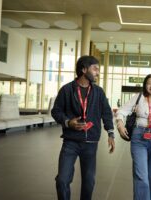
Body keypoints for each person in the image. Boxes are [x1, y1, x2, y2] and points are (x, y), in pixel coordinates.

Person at [51, 55, 115, 200]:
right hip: (70, 142)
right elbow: (56, 111)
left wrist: (111, 133)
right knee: (62, 180)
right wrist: (68, 122)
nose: (98, 72)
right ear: (84, 69)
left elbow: (106, 112)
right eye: (95, 69)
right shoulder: (66, 90)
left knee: (89, 182)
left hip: (90, 143)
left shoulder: (99, 92)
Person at [116, 74, 151, 200]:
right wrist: (120, 124)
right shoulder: (138, 98)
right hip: (138, 137)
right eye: (149, 83)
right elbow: (121, 111)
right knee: (141, 176)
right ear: (145, 86)